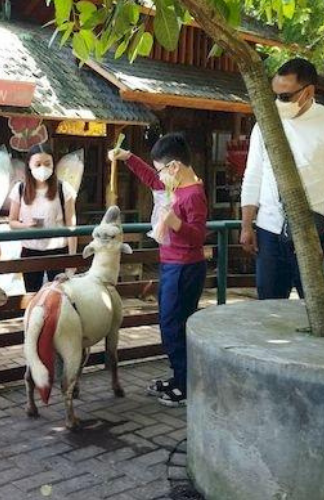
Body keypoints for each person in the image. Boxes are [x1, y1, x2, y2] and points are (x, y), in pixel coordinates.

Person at [239, 58, 324, 300]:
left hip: (313, 229)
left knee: (316, 305)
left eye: (284, 97)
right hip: (268, 230)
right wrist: (246, 224)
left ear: (308, 91)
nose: (277, 103)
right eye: (275, 95)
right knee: (269, 308)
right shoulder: (265, 125)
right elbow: (253, 175)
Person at [110, 133, 208, 407]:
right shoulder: (173, 187)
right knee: (171, 323)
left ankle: (185, 384)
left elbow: (198, 236)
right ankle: (179, 378)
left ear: (175, 167)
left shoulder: (193, 195)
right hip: (172, 264)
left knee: (172, 325)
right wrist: (128, 158)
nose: (159, 176)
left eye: (162, 169)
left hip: (185, 267)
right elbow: (151, 179)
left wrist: (176, 223)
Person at [8, 144, 77, 292]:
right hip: (30, 250)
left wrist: (72, 259)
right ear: (29, 166)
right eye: (38, 164)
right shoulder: (20, 189)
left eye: (47, 164)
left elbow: (71, 225)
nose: (43, 168)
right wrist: (26, 225)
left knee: (59, 296)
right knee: (32, 296)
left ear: (53, 164)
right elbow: (12, 222)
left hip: (58, 251)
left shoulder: (63, 188)